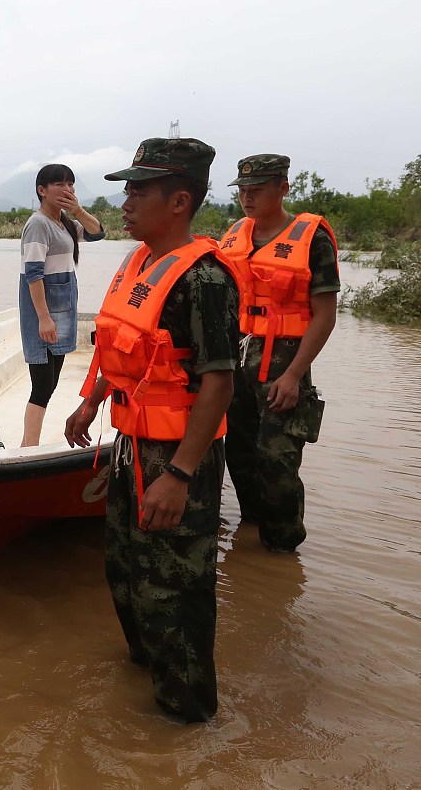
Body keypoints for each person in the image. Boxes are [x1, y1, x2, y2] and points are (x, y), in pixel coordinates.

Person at [64, 138, 240, 723]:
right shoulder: (137, 262)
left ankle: (187, 718)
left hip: (177, 456)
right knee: (125, 569)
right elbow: (120, 348)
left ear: (180, 201)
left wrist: (181, 475)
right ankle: (148, 674)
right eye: (127, 187)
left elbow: (218, 385)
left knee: (175, 588)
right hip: (129, 446)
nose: (126, 200)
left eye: (140, 189)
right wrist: (89, 404)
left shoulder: (207, 278)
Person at [218, 155, 339, 553]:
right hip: (237, 357)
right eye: (243, 190)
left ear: (283, 188)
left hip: (284, 361)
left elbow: (324, 315)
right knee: (238, 452)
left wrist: (294, 375)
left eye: (257, 190)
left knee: (278, 461)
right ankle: (252, 538)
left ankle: (284, 549)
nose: (247, 198)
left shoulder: (311, 238)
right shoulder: (235, 233)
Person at [18, 165, 106, 446]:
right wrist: (43, 318)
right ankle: (28, 445)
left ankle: (30, 443)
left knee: (51, 382)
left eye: (71, 184)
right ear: (41, 190)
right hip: (43, 311)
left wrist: (78, 210)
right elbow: (33, 273)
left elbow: (97, 233)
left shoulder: (64, 222)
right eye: (59, 184)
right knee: (42, 385)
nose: (67, 189)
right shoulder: (38, 223)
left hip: (63, 309)